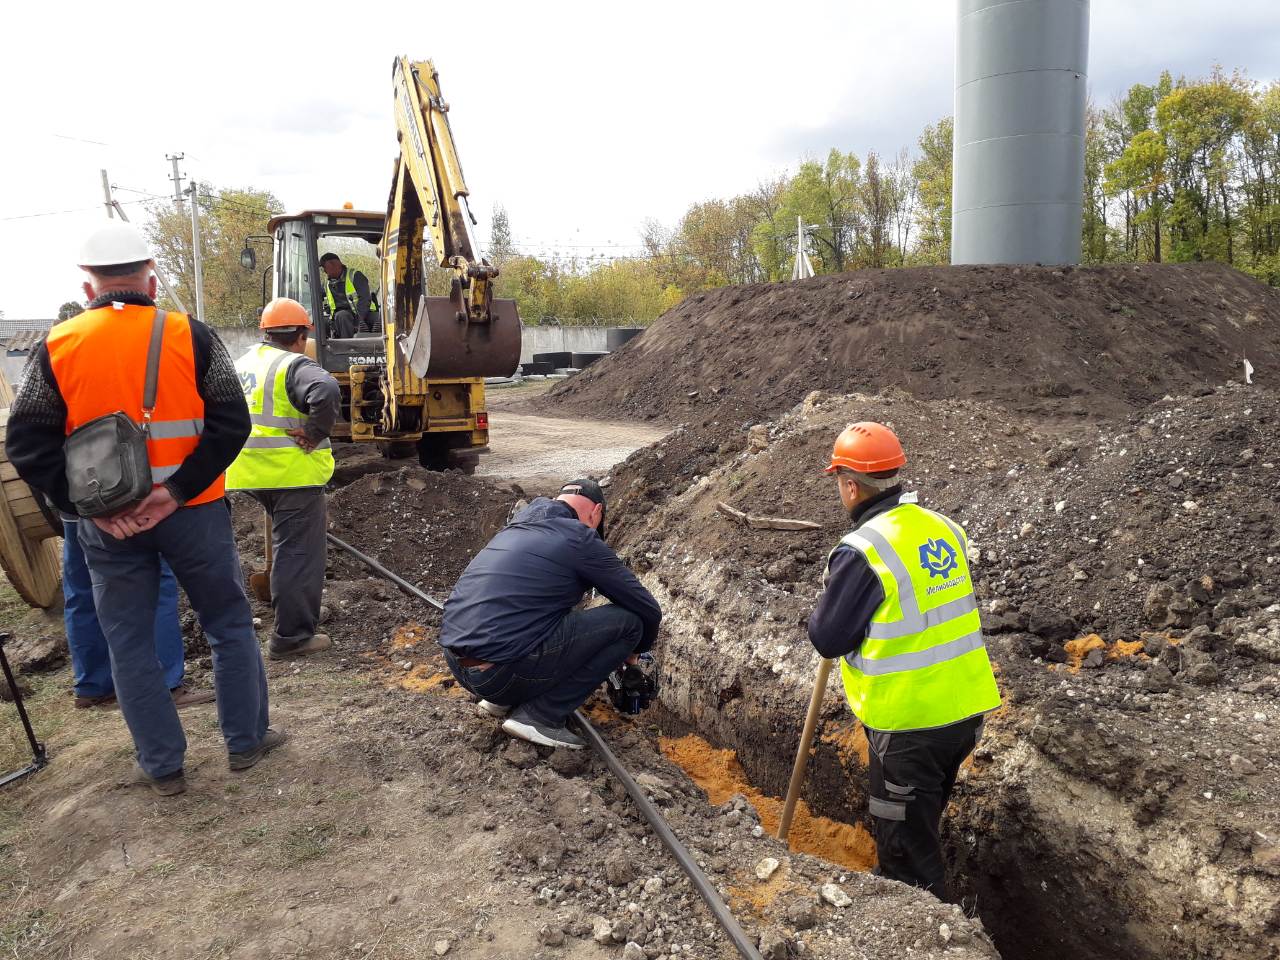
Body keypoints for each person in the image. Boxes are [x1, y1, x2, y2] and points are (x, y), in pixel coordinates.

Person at [6, 222, 284, 797]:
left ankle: (162, 767)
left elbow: (27, 445)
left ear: (89, 289)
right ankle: (246, 741)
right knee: (228, 625)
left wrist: (86, 510)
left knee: (127, 643)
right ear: (151, 282)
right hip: (194, 512)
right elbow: (230, 424)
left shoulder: (57, 346)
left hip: (106, 525)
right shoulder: (192, 335)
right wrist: (175, 492)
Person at [806, 422, 1001, 900]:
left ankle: (926, 925)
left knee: (907, 856)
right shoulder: (942, 527)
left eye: (839, 482)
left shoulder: (864, 550)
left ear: (850, 484)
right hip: (963, 711)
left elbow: (829, 638)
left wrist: (829, 600)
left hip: (910, 725)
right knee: (921, 820)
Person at [440, 478, 662, 750]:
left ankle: (501, 701)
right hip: (503, 675)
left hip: (459, 664)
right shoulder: (579, 537)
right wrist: (634, 653)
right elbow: (648, 610)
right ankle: (540, 715)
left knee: (538, 611)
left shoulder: (514, 529)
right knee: (630, 624)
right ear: (596, 513)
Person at [226, 297, 340, 660]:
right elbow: (326, 390)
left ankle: (297, 613)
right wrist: (314, 431)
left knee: (284, 546)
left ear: (266, 332)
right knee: (299, 554)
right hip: (291, 472)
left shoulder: (245, 363)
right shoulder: (294, 365)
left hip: (248, 471)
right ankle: (292, 637)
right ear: (302, 334)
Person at [63, 518, 212, 709]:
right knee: (154, 580)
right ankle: (165, 684)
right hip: (121, 504)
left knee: (81, 587)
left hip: (73, 507)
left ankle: (93, 685)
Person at [319, 253, 378, 337]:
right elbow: (317, 298)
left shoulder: (355, 276)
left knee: (378, 319)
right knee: (340, 316)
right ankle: (346, 347)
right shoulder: (326, 283)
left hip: (363, 313)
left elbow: (365, 299)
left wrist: (359, 320)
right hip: (340, 317)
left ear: (335, 264)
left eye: (324, 267)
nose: (324, 271)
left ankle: (351, 347)